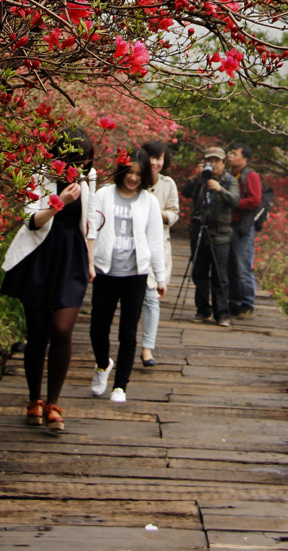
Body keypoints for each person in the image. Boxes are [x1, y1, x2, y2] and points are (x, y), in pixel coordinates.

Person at [1, 128, 96, 434]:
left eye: (84, 161)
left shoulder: (88, 179)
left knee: (62, 328)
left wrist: (91, 263)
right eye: (74, 161)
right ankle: (34, 400)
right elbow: (31, 220)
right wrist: (59, 201)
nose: (80, 168)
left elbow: (90, 224)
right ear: (60, 157)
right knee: (39, 333)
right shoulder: (40, 175)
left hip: (72, 257)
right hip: (40, 255)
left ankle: (54, 402)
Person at [89, 146, 166, 403]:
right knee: (98, 328)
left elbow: (155, 241)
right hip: (105, 270)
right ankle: (102, 365)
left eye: (139, 174)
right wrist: (89, 263)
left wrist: (160, 277)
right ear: (121, 170)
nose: (133, 178)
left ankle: (120, 385)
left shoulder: (149, 202)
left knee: (128, 333)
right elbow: (92, 231)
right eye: (129, 172)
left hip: (136, 274)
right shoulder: (103, 195)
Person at [181, 146, 239, 327]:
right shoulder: (201, 178)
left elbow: (235, 200)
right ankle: (202, 310)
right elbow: (185, 192)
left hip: (220, 235)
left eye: (217, 161)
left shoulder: (229, 180)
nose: (213, 164)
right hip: (199, 232)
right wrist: (196, 178)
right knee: (199, 273)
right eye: (210, 160)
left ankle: (221, 313)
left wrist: (220, 189)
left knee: (220, 276)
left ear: (223, 163)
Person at [140, 140, 180, 367]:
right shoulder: (134, 178)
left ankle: (148, 348)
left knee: (152, 299)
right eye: (152, 157)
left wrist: (157, 213)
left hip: (158, 247)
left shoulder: (168, 184)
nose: (155, 162)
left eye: (159, 158)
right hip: (134, 247)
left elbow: (174, 213)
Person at [227, 142, 262, 318]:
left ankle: (247, 304)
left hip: (243, 227)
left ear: (245, 159)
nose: (230, 156)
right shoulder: (230, 174)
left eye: (235, 154)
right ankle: (234, 302)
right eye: (230, 153)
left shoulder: (251, 175)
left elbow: (255, 200)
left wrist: (235, 203)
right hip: (229, 224)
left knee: (243, 266)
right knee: (231, 266)